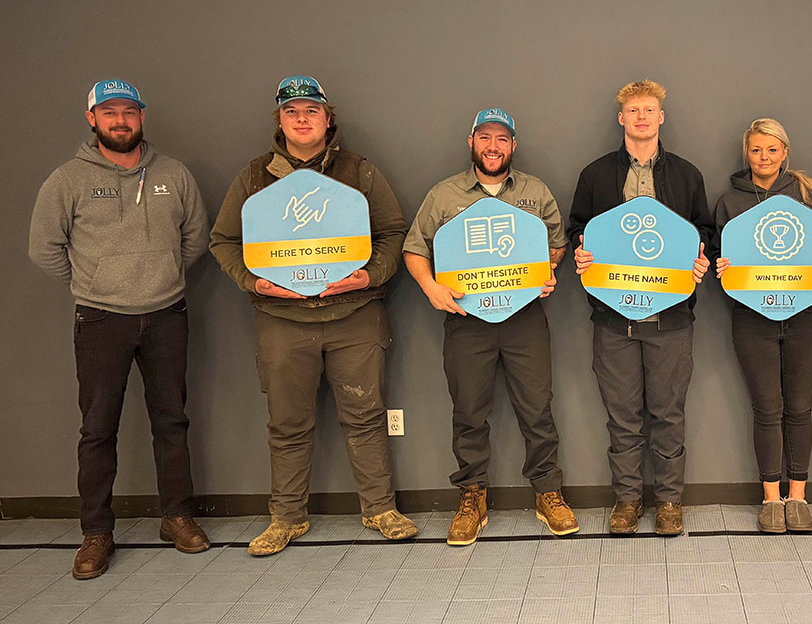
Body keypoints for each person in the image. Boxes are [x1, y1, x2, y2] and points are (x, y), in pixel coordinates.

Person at [210, 75, 416, 555]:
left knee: (366, 415)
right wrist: (253, 281)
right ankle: (286, 517)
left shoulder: (360, 171)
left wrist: (370, 276)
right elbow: (224, 241)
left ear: (328, 118)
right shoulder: (253, 177)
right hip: (282, 321)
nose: (301, 119)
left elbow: (392, 232)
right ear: (280, 121)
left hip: (355, 316)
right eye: (291, 112)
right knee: (287, 423)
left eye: (311, 111)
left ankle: (380, 508)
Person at [29, 79, 211, 579]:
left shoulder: (174, 174)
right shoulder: (67, 179)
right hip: (101, 319)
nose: (120, 120)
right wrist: (95, 285)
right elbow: (44, 248)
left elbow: (194, 239)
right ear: (92, 119)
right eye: (109, 112)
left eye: (128, 111)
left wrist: (160, 277)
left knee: (172, 420)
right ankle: (96, 533)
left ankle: (176, 516)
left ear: (141, 117)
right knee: (97, 428)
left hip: (167, 313)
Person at [403, 108, 578, 546]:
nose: (493, 146)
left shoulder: (535, 192)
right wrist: (430, 288)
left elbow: (556, 245)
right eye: (485, 137)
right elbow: (414, 248)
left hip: (524, 319)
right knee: (468, 412)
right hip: (467, 320)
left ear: (513, 145)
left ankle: (548, 493)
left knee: (537, 409)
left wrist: (547, 270)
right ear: (472, 142)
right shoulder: (444, 195)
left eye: (502, 138)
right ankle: (472, 496)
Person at [568, 79, 714, 536]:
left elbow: (702, 231)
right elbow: (578, 229)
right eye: (634, 111)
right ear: (622, 118)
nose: (642, 117)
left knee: (669, 413)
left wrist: (699, 259)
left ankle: (669, 502)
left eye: (649, 110)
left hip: (671, 317)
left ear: (661, 117)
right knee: (623, 415)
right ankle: (628, 501)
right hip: (614, 319)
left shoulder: (688, 175)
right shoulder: (594, 175)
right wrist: (579, 250)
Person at [712, 119, 812, 533]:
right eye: (756, 150)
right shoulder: (728, 202)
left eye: (772, 150)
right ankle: (771, 499)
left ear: (784, 152)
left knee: (800, 409)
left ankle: (798, 497)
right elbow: (722, 260)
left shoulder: (808, 193)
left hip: (807, 318)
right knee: (766, 410)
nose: (764, 158)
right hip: (753, 319)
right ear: (746, 153)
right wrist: (723, 268)